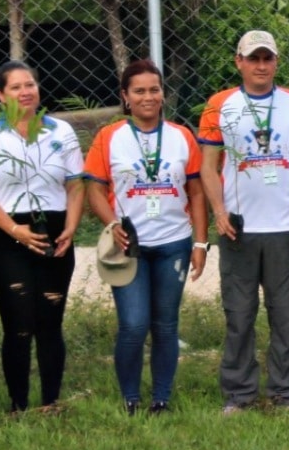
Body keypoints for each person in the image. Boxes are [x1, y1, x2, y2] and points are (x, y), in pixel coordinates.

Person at [198, 30, 289, 416]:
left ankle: (286, 391)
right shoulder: (220, 105)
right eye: (254, 58)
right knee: (239, 313)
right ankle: (239, 393)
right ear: (239, 62)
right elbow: (207, 165)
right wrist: (219, 211)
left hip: (284, 228)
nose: (261, 66)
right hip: (238, 227)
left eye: (268, 58)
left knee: (286, 314)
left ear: (276, 63)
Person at [84, 60, 208, 415]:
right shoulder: (109, 137)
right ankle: (131, 397)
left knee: (166, 325)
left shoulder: (182, 136)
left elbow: (197, 193)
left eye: (154, 89)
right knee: (134, 324)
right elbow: (94, 188)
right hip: (129, 247)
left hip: (174, 242)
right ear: (125, 96)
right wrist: (113, 224)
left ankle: (161, 398)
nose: (148, 97)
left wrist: (200, 242)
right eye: (139, 90)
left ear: (163, 94)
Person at [0, 61, 85, 414]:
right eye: (15, 87)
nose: (25, 92)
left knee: (50, 321)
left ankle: (50, 401)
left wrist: (72, 227)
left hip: (55, 232)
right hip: (8, 237)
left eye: (30, 84)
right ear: (1, 96)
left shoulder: (60, 131)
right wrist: (14, 229)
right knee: (18, 324)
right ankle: (17, 404)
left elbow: (76, 184)